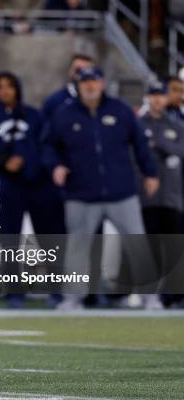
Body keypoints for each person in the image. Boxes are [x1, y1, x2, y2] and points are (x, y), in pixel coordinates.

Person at [44, 66, 159, 310]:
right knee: (78, 246)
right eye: (85, 82)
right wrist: (56, 166)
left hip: (121, 192)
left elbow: (140, 143)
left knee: (137, 243)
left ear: (102, 83)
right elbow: (49, 146)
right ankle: (73, 298)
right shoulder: (64, 114)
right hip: (81, 192)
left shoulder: (121, 110)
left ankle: (151, 297)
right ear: (78, 85)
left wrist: (150, 172)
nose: (90, 86)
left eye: (94, 81)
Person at [0, 71, 65, 308]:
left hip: (40, 183)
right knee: (11, 238)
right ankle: (15, 292)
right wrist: (4, 162)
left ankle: (57, 289)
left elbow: (46, 144)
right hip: (11, 185)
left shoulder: (34, 115)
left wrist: (29, 162)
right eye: (0, 87)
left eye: (9, 86)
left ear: (17, 88)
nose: (5, 91)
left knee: (48, 237)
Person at [139, 81, 184, 309]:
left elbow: (180, 150)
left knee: (174, 246)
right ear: (147, 97)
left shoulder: (176, 125)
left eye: (161, 95)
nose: (157, 99)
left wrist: (159, 142)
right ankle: (153, 295)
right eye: (153, 95)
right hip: (147, 197)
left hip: (172, 195)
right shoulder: (137, 125)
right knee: (151, 246)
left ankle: (174, 294)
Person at [41, 53, 94, 123]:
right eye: (78, 70)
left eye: (87, 71)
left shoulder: (102, 102)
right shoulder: (56, 101)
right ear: (70, 71)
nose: (82, 75)